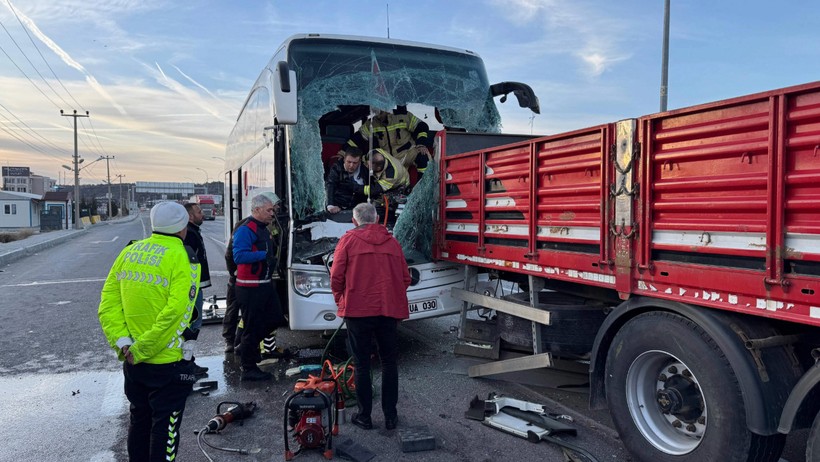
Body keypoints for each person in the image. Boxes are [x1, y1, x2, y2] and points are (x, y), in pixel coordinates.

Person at [98, 201, 201, 461]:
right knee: (165, 429)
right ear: (183, 227)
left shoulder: (129, 252)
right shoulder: (184, 258)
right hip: (167, 363)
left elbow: (108, 305)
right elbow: (178, 315)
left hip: (133, 362)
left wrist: (124, 344)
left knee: (139, 420)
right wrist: (142, 349)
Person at [330, 202, 411, 431]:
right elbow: (405, 278)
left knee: (362, 364)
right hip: (387, 311)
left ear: (355, 221)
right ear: (376, 220)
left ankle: (364, 416)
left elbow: (336, 278)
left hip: (357, 310)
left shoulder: (347, 241)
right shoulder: (393, 243)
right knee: (389, 363)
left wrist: (341, 300)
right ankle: (391, 417)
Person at [232, 192, 288, 381]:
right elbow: (238, 256)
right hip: (249, 287)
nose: (273, 213)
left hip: (264, 284)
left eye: (273, 209)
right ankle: (248, 368)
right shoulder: (246, 229)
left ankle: (246, 347)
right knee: (252, 326)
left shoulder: (263, 227)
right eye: (269, 210)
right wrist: (263, 256)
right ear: (256, 210)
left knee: (276, 319)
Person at [345, 107, 433, 176]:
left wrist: (421, 144)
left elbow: (421, 126)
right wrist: (343, 153)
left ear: (387, 109)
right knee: (367, 163)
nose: (378, 116)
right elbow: (357, 139)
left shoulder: (403, 116)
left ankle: (423, 189)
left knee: (423, 156)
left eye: (380, 112)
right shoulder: (371, 124)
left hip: (407, 153)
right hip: (387, 160)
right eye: (375, 113)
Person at [183, 202, 210, 376]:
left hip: (195, 287)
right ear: (190, 216)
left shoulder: (192, 232)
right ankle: (186, 363)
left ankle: (188, 361)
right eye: (199, 212)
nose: (203, 214)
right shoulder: (190, 235)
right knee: (193, 324)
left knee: (193, 324)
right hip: (191, 289)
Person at [326, 147, 369, 214]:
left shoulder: (365, 171)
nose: (351, 165)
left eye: (355, 163)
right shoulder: (336, 167)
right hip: (337, 206)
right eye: (349, 162)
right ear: (344, 159)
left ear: (360, 161)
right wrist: (330, 205)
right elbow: (331, 185)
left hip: (357, 210)